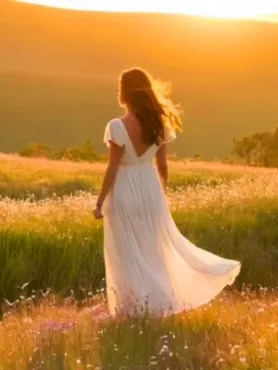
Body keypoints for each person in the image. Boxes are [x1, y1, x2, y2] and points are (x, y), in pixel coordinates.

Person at [93, 67, 241, 317]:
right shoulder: (158, 124)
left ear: (124, 93)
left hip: (125, 191)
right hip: (150, 189)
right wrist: (161, 194)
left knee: (127, 251)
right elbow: (162, 166)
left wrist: (99, 203)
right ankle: (158, 303)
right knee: (154, 249)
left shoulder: (116, 126)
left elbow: (113, 167)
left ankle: (135, 308)